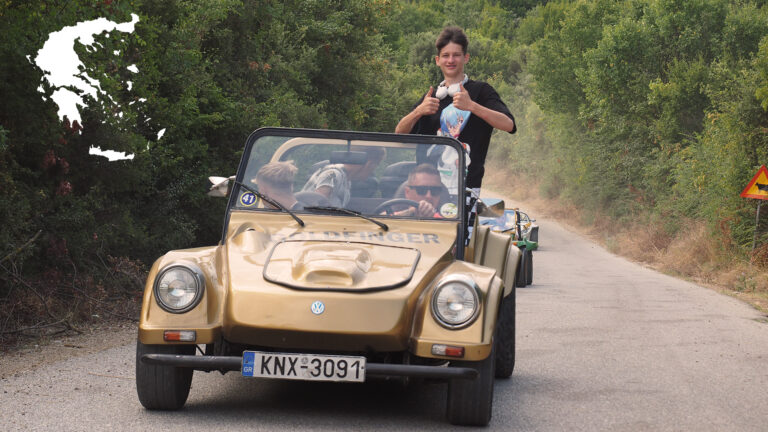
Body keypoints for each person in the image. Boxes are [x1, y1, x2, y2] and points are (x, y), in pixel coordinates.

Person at [394, 26, 516, 194]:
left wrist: (472, 106)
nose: (450, 60)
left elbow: (509, 125)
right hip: (426, 190)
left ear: (465, 58)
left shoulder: (481, 91)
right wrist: (418, 111)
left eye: (456, 55)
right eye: (445, 55)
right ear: (438, 60)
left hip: (466, 188)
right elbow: (399, 133)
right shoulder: (430, 97)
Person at [302, 146, 385, 207]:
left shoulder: (347, 180)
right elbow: (315, 207)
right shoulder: (332, 175)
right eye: (375, 166)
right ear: (369, 164)